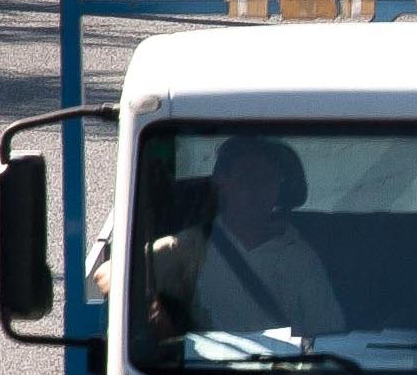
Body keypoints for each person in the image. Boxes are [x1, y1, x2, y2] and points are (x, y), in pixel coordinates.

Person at [140, 133, 350, 346]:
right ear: (223, 184)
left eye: (267, 180)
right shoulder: (189, 247)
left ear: (279, 187)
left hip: (284, 372)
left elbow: (328, 334)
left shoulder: (299, 254)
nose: (256, 191)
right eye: (245, 179)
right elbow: (113, 273)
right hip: (204, 373)